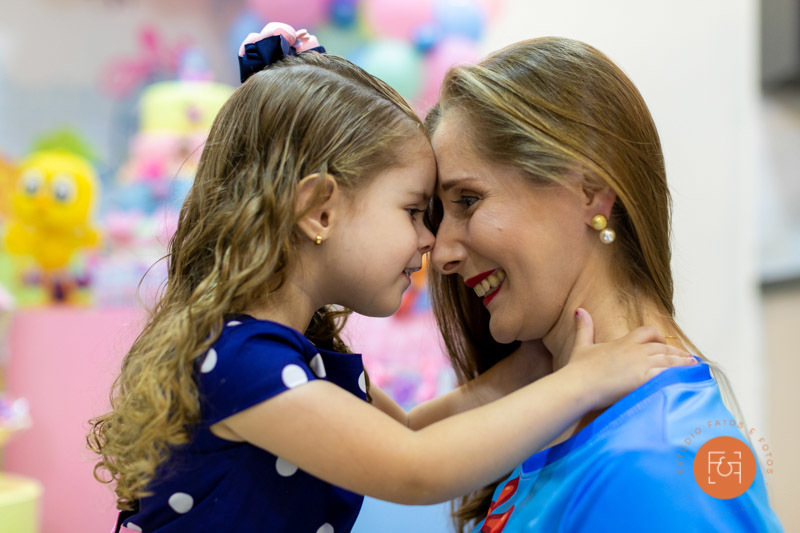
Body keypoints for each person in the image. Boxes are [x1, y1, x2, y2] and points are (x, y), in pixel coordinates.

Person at [87, 26, 694, 533]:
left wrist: (537, 363)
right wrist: (582, 383)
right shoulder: (240, 361)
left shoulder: (297, 356)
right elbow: (414, 467)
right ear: (320, 212)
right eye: (414, 211)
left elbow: (407, 429)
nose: (433, 242)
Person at [425, 37, 784, 532]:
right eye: (439, 214)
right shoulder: (561, 421)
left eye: (467, 200)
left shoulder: (656, 459)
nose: (441, 254)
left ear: (590, 190)